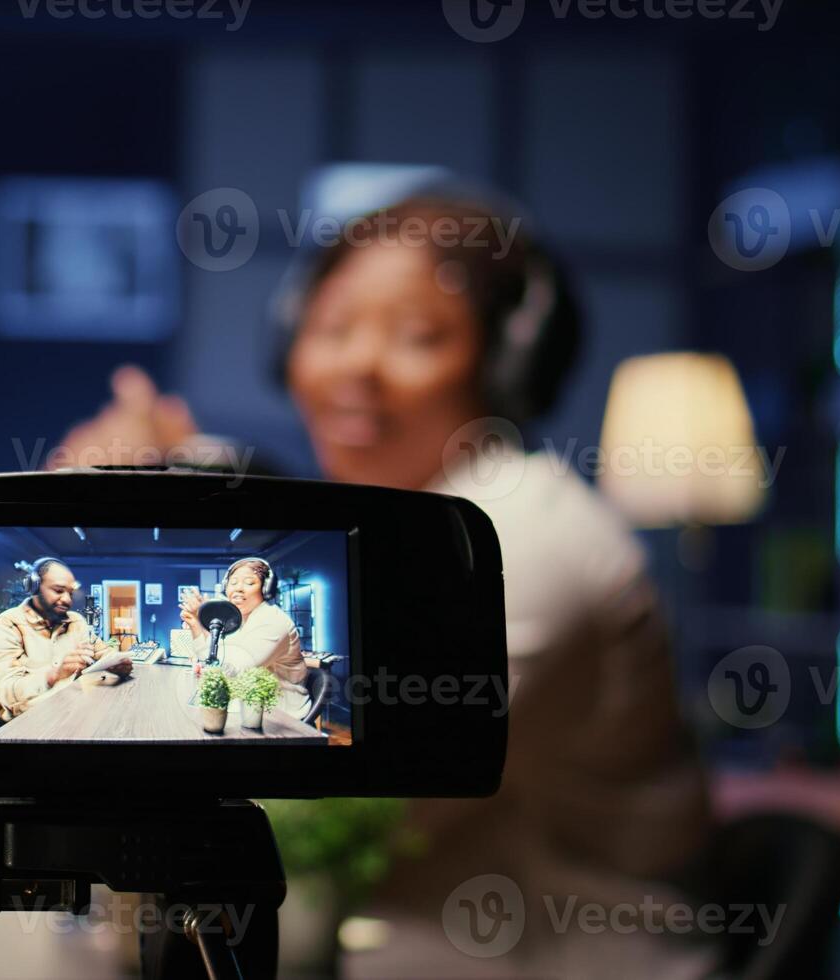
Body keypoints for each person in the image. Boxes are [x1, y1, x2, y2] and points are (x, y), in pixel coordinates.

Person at [57, 187, 712, 975]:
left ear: (503, 363)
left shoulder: (516, 541)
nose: (356, 366)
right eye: (331, 329)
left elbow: (307, 819)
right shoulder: (429, 517)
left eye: (415, 336)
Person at [0, 557, 129, 722]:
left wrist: (118, 664)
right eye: (59, 590)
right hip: (29, 723)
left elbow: (104, 652)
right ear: (35, 587)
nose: (67, 599)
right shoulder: (8, 624)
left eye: (70, 593)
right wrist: (54, 675)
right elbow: (7, 694)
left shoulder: (76, 621)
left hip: (73, 710)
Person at [178, 557, 309, 720]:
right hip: (246, 705)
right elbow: (216, 659)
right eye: (233, 583)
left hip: (280, 715)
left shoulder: (274, 622)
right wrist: (196, 624)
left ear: (266, 588)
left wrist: (199, 623)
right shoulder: (238, 620)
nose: (238, 588)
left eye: (249, 582)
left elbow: (233, 670)